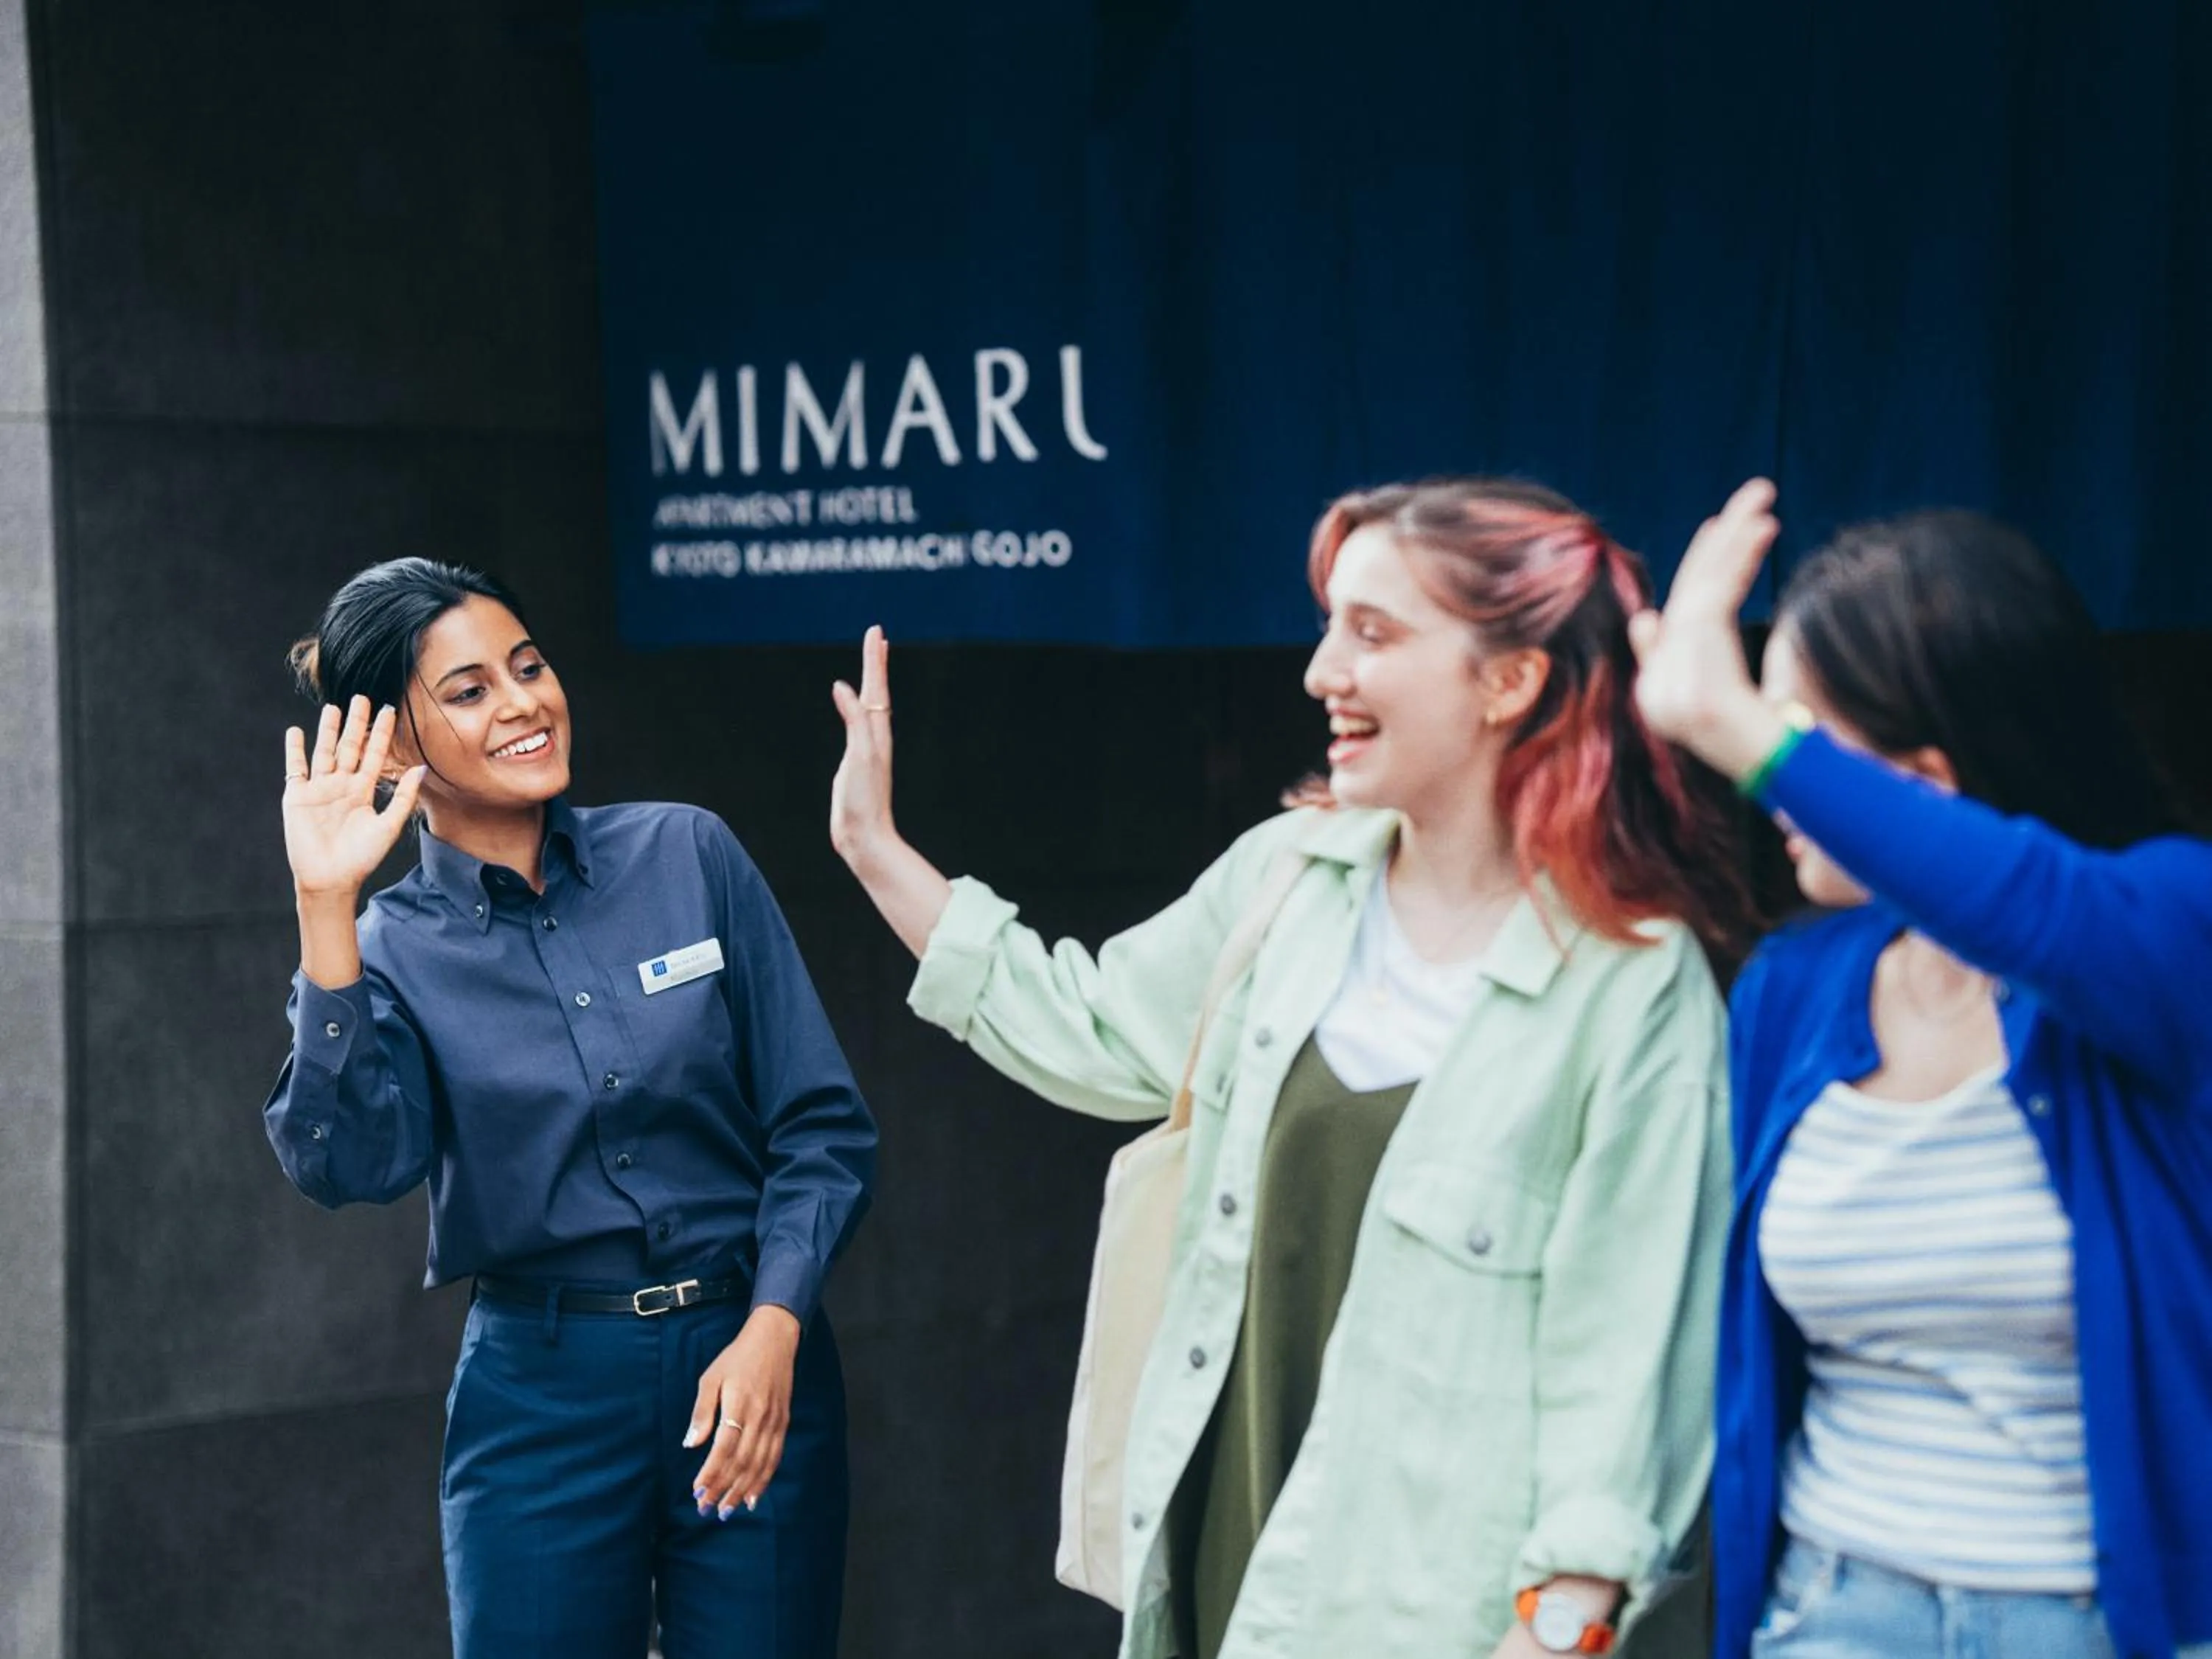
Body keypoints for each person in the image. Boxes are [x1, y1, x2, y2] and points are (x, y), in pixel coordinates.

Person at [828, 479, 1758, 1658]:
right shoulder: (1291, 881)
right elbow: (1092, 1026)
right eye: (1329, 626)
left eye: (1373, 632)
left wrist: (1553, 1636)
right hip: (1230, 1594)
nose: (1323, 671)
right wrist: (873, 849)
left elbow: (1621, 1406)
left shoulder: (1633, 990)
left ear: (1509, 680)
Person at [1628, 481, 2212, 1659]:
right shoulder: (1793, 988)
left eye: (1802, 729)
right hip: (1835, 1608)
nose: (1768, 776)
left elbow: (2032, 905)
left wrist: (1733, 722)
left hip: (2099, 1627)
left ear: (1931, 779)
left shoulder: (2168, 923)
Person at [263, 557, 875, 1659]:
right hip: (540, 1399)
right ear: (393, 748)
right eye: (469, 690)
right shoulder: (384, 947)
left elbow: (822, 1129)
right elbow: (347, 1164)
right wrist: (326, 905)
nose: (523, 703)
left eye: (528, 667)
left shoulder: (687, 852)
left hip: (749, 1361)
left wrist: (775, 1324)